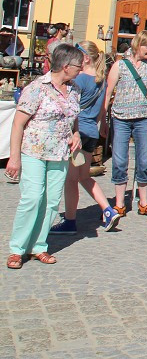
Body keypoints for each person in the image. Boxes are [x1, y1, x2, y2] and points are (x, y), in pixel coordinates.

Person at [6, 43, 84, 269]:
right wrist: (14, 157)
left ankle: (38, 246)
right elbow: (18, 124)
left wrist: (76, 133)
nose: (81, 69)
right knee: (32, 198)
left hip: (59, 153)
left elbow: (72, 117)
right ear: (66, 66)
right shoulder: (36, 88)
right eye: (78, 65)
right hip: (34, 151)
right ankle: (17, 249)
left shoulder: (75, 89)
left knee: (51, 202)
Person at [51, 41, 119, 235]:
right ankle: (107, 209)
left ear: (85, 58)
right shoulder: (101, 79)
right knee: (84, 176)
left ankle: (70, 221)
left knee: (71, 180)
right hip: (91, 132)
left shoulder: (79, 80)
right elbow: (99, 112)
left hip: (78, 132)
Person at [103, 30, 147, 217]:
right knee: (119, 160)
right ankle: (119, 202)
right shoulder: (120, 65)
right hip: (120, 118)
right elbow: (109, 90)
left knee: (144, 160)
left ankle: (143, 202)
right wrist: (103, 117)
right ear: (137, 45)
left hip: (143, 117)